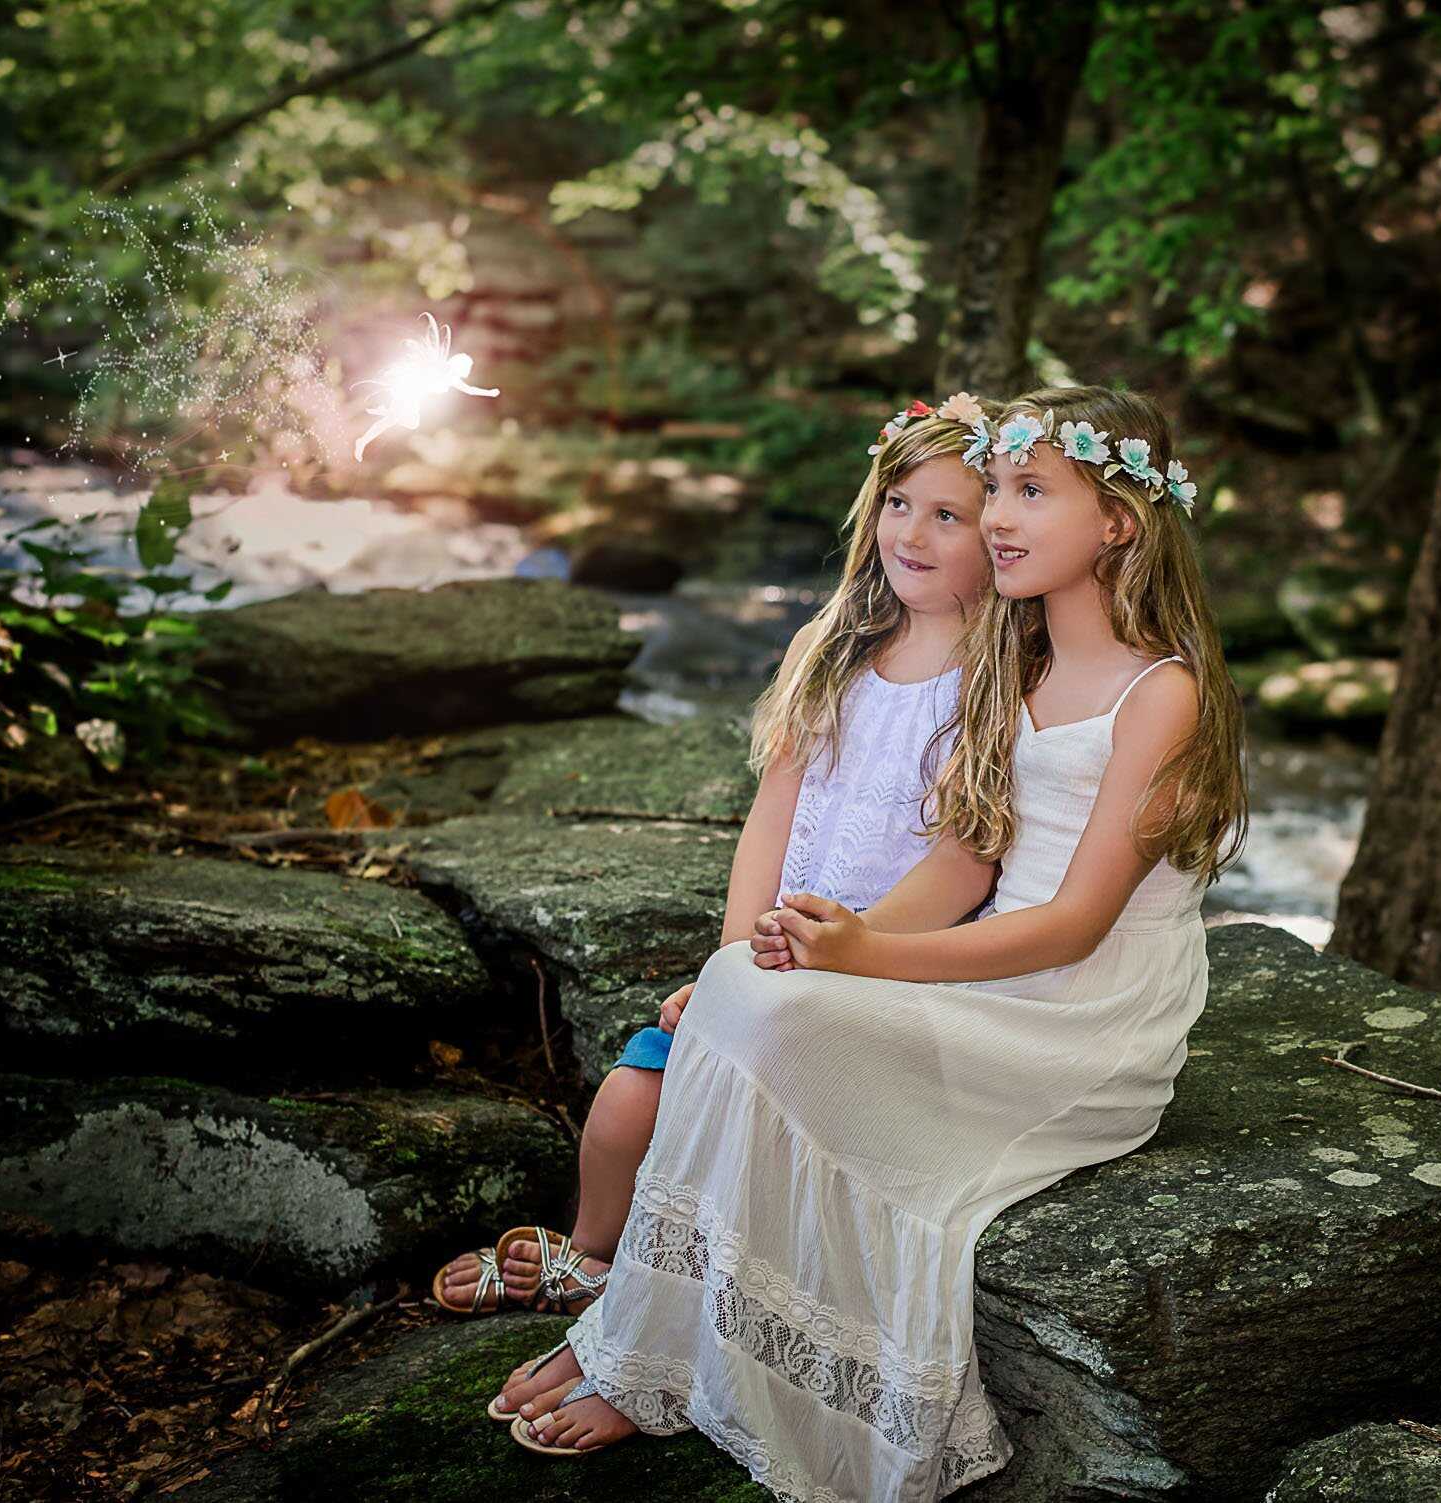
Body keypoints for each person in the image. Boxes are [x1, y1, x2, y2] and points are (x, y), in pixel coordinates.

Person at [497, 384, 1251, 1501]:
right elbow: (963, 860)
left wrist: (860, 955)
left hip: (1082, 1017)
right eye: (991, 488)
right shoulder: (1017, 662)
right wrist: (808, 950)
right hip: (1000, 966)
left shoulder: (1162, 692)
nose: (996, 515)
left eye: (1029, 491)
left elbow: (1075, 922)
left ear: (1120, 523)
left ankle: (644, 1343)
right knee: (744, 994)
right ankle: (643, 1332)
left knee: (771, 1018)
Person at [430, 392, 1003, 1344]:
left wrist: (846, 949)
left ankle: (667, 1278)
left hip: (886, 968)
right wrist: (732, 961)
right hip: (777, 954)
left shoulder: (995, 679)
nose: (914, 531)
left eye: (950, 515)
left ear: (1002, 540)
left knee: (737, 1123)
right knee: (625, 1103)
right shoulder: (832, 650)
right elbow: (772, 814)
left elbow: (963, 863)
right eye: (899, 502)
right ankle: (591, 1255)